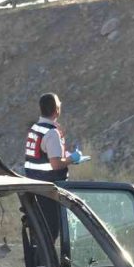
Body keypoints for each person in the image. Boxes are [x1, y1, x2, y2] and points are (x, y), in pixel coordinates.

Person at [24, 93, 83, 237]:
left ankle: (38, 259)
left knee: (39, 235)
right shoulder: (51, 133)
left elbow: (41, 155)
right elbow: (56, 164)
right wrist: (73, 158)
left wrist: (65, 156)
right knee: (51, 232)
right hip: (48, 190)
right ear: (57, 110)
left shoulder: (35, 128)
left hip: (34, 186)